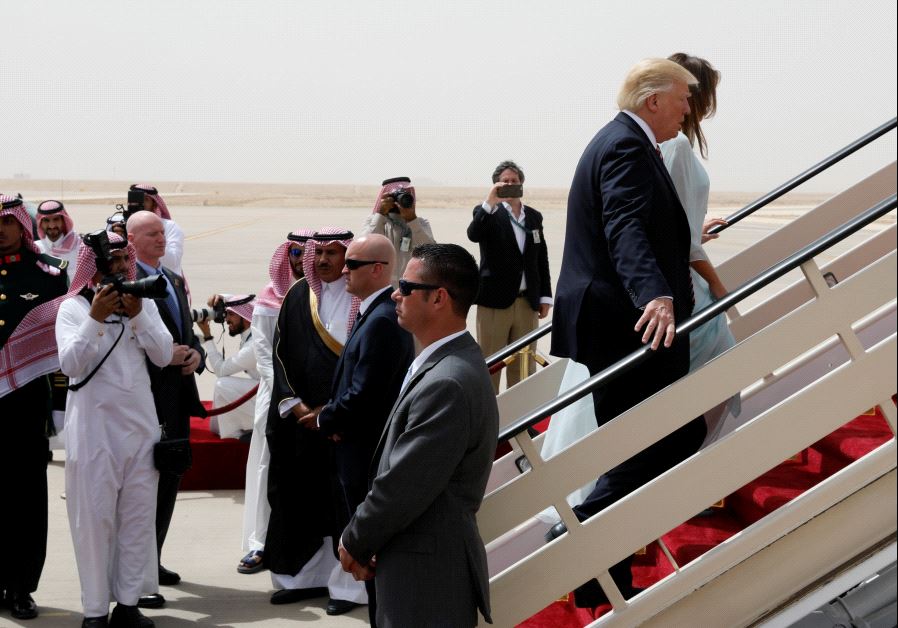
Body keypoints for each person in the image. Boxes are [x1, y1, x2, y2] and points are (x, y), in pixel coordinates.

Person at [548, 58, 708, 606]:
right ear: (653, 101)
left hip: (618, 320)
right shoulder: (625, 146)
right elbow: (625, 225)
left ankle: (602, 576)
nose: (690, 106)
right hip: (630, 323)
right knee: (675, 432)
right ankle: (582, 527)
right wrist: (655, 295)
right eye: (684, 96)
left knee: (629, 442)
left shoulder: (626, 142)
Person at [339, 243, 499, 627]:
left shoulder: (448, 382)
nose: (395, 294)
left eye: (406, 287)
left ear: (439, 298)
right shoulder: (446, 363)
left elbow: (404, 483)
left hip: (426, 577)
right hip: (418, 564)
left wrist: (355, 541)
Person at [56, 231, 173, 628]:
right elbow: (71, 364)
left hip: (140, 433)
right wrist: (95, 320)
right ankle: (94, 611)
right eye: (114, 261)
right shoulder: (72, 309)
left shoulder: (143, 304)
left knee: (137, 521)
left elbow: (162, 354)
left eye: (126, 259)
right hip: (93, 435)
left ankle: (127, 604)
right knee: (93, 522)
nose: (123, 268)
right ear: (94, 268)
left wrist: (138, 315)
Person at [310, 234, 414, 620]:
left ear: (377, 269)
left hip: (365, 452)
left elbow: (365, 393)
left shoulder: (383, 320)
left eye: (352, 264)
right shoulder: (374, 312)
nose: (343, 269)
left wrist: (327, 419)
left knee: (370, 550)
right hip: (356, 444)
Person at [264, 228, 365, 609]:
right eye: (317, 253)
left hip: (343, 421)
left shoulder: (362, 299)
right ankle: (301, 578)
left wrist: (335, 412)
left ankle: (347, 587)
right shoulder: (296, 295)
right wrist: (295, 404)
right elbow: (280, 353)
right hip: (299, 420)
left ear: (347, 257)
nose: (323, 260)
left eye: (332, 253)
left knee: (343, 503)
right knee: (298, 500)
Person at [127, 211, 206, 609]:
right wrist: (163, 357)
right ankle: (136, 574)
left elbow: (186, 333)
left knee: (169, 481)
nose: (161, 239)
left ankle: (152, 559)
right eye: (152, 234)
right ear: (132, 240)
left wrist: (196, 354)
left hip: (177, 401)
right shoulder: (130, 285)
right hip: (144, 402)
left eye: (163, 233)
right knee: (143, 488)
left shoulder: (173, 279)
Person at [660, 52, 741, 437]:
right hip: (686, 285)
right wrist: (721, 287)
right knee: (721, 372)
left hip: (679, 272)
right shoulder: (675, 147)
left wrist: (699, 226)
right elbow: (681, 240)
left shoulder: (668, 145)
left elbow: (676, 225)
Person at [0, 195, 68, 621]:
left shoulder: (48, 276)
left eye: (7, 221)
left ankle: (22, 585)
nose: (0, 229)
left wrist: (59, 408)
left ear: (21, 225)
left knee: (25, 497)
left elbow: (61, 349)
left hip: (25, 407)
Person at [239, 230, 313, 575]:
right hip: (275, 398)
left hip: (313, 401)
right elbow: (264, 355)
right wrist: (288, 392)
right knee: (266, 468)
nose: (300, 258)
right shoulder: (270, 299)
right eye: (295, 251)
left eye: (307, 252)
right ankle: (259, 543)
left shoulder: (324, 296)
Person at [467, 160, 552, 393]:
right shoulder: (486, 213)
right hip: (495, 304)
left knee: (524, 369)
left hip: (526, 303)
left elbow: (540, 258)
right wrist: (490, 202)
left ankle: (521, 425)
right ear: (496, 184)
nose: (509, 184)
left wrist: (545, 297)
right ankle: (491, 422)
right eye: (505, 181)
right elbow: (473, 234)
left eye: (514, 181)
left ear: (522, 184)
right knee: (491, 365)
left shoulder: (533, 217)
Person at [196, 294, 260, 440]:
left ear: (245, 317)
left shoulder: (253, 345)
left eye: (231, 314)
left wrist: (207, 336)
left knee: (223, 384)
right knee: (224, 388)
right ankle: (237, 430)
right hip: (264, 393)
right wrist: (220, 297)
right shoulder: (252, 335)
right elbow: (244, 298)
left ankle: (236, 435)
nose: (226, 319)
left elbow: (220, 370)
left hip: (270, 400)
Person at [360, 177, 435, 286]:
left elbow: (430, 252)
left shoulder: (421, 223)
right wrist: (380, 215)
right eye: (394, 197)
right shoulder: (374, 221)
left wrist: (412, 220)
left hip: (410, 287)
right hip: (382, 287)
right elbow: (364, 247)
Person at [129, 184, 185, 276]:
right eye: (135, 199)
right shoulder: (118, 224)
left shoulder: (169, 226)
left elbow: (172, 262)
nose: (140, 203)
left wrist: (150, 238)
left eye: (146, 200)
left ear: (154, 204)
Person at [35, 200, 80, 284]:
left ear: (64, 221)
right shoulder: (35, 249)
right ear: (40, 223)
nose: (52, 225)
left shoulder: (79, 247)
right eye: (46, 220)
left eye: (56, 219)